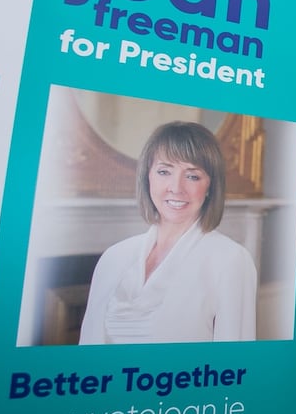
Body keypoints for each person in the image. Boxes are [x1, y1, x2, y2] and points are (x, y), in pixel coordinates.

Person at [79, 121, 257, 344]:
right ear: (148, 177)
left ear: (210, 187)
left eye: (192, 176)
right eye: (164, 171)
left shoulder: (231, 260)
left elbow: (235, 359)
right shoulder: (113, 257)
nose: (176, 187)